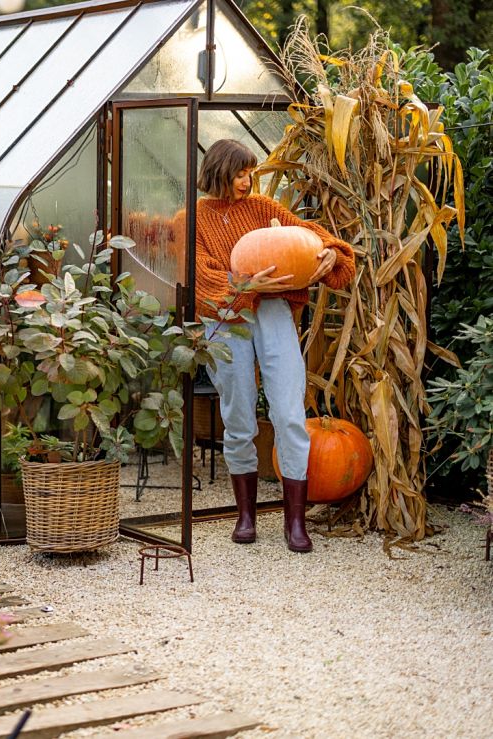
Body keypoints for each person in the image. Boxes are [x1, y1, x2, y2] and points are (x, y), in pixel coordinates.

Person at [195, 139, 355, 552]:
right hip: (226, 318)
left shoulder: (266, 209)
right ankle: (246, 516)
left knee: (287, 413)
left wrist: (333, 256)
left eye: (251, 173)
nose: (248, 181)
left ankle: (294, 523)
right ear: (219, 172)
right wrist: (243, 285)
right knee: (239, 417)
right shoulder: (192, 218)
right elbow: (199, 279)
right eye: (240, 173)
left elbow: (315, 237)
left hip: (273, 313)